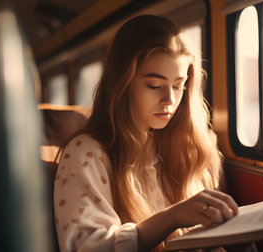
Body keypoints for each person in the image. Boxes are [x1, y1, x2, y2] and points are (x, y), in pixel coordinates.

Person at [53, 15, 239, 252]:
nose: (170, 100)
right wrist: (171, 217)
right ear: (123, 83)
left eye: (178, 85)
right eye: (154, 85)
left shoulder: (188, 145)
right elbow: (89, 246)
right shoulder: (86, 153)